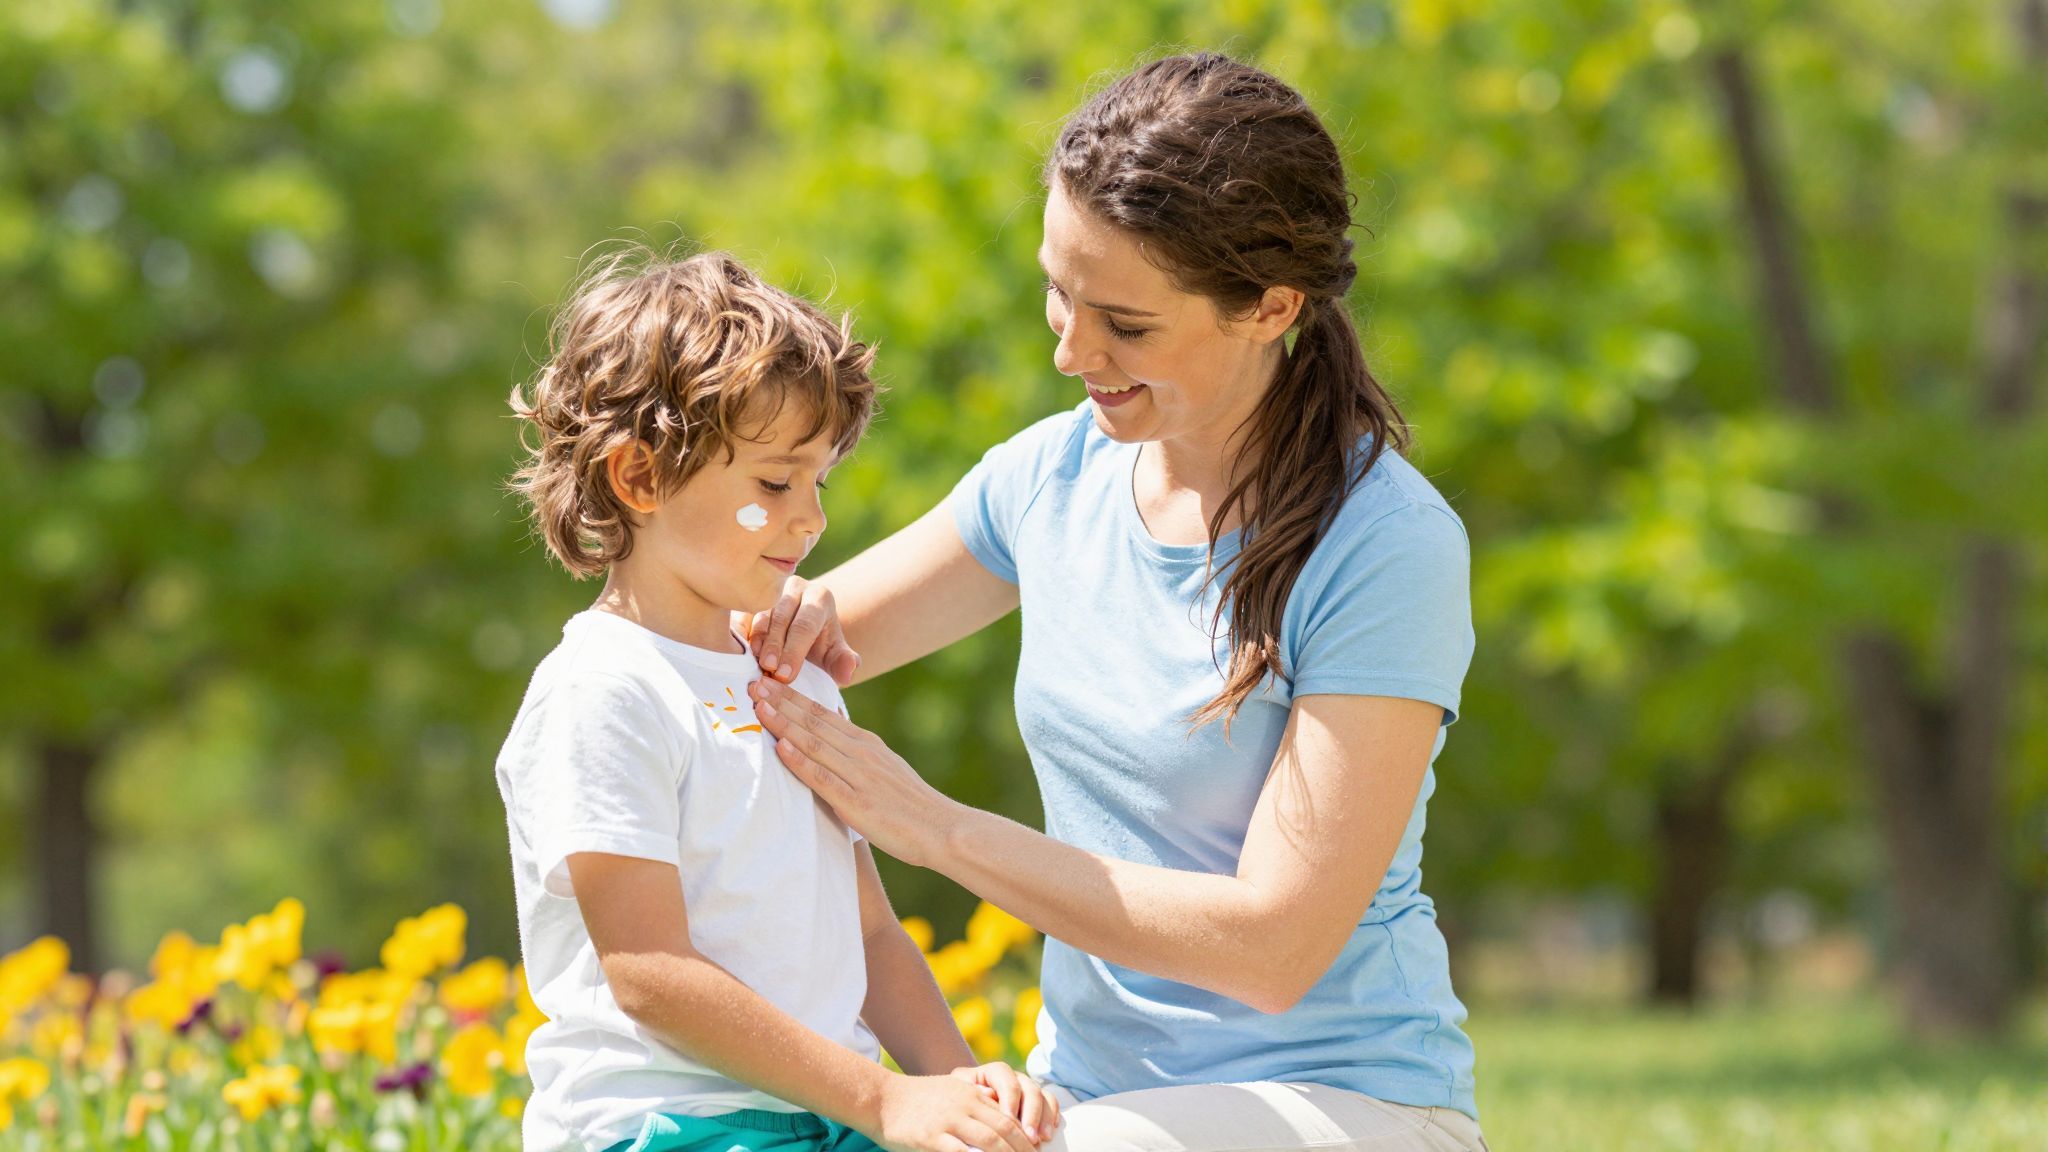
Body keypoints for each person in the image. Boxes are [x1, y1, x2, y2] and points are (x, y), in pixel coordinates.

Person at [741, 55, 1488, 1152]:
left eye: (1124, 324)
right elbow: (784, 641)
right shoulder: (1050, 479)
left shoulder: (1383, 546)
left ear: (1270, 306)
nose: (1068, 348)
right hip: (1091, 1105)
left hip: (1346, 1105)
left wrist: (934, 829)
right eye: (1057, 288)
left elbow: (1271, 949)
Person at [496, 249, 1060, 1152]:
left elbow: (869, 930)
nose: (813, 519)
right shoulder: (603, 690)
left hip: (824, 1119)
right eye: (774, 482)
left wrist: (957, 1089)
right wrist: (883, 1102)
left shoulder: (792, 679)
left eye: (818, 481)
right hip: (669, 1130)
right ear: (638, 478)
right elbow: (650, 974)